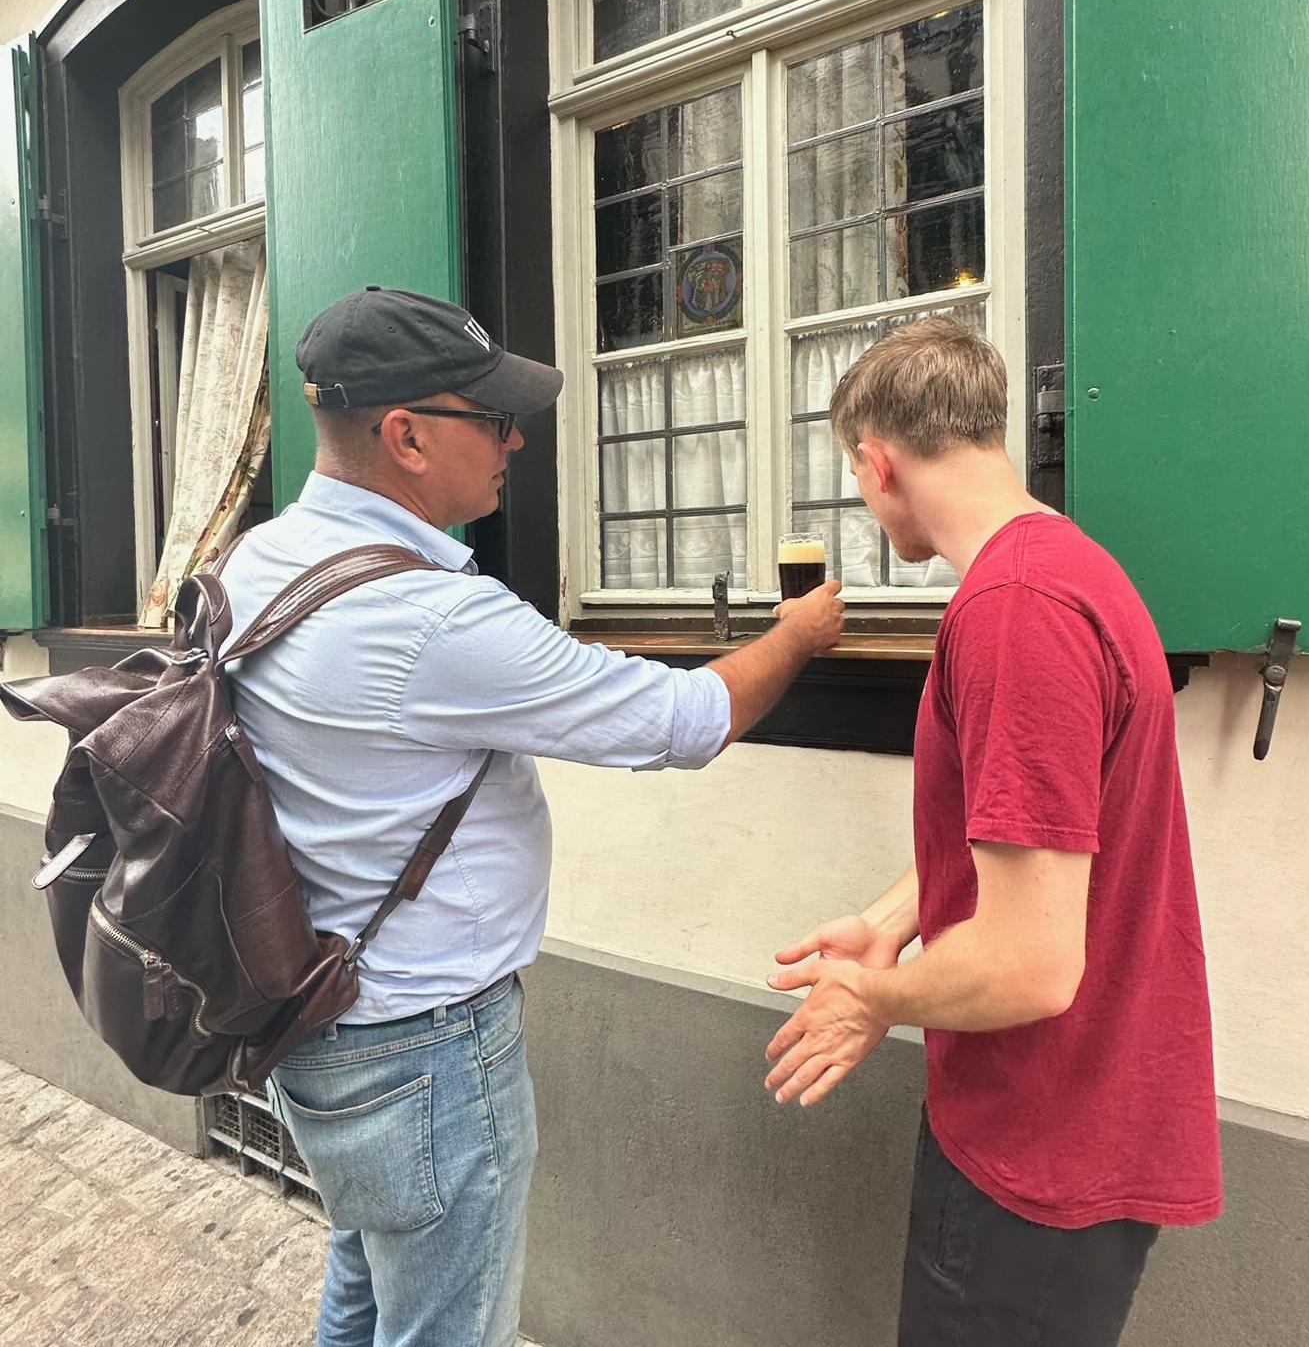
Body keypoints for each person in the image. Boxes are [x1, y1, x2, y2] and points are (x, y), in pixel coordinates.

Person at [217, 286, 843, 1347]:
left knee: (366, 1281)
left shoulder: (259, 560)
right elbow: (682, 720)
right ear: (406, 435)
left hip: (308, 1015)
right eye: (491, 415)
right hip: (425, 1045)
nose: (514, 438)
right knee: (445, 1326)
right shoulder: (431, 615)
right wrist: (794, 636)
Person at [763, 316, 1221, 1346]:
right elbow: (1036, 831)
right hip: (1072, 1112)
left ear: (875, 462)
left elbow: (1027, 963)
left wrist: (867, 999)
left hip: (1043, 1133)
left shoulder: (1014, 610)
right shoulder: (1062, 567)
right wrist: (889, 917)